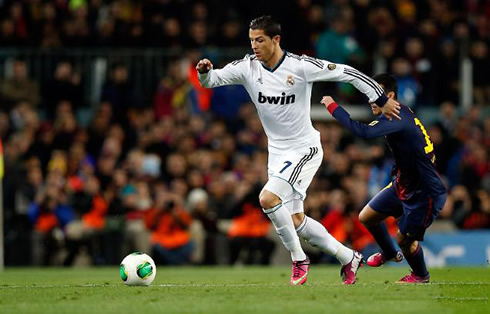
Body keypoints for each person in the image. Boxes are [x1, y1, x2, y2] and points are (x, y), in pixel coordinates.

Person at [196, 15, 401, 285]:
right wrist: (205, 71)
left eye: (260, 40)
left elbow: (347, 73)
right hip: (278, 154)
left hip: (305, 149)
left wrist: (380, 98)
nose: (254, 46)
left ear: (276, 39)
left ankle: (298, 259)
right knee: (295, 220)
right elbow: (210, 82)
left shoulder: (301, 66)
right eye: (251, 40)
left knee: (268, 199)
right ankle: (348, 257)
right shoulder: (248, 68)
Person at [321, 73, 447, 283]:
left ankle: (420, 275)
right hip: (404, 183)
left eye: (375, 94)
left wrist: (333, 106)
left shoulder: (395, 117)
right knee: (367, 217)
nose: (371, 99)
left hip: (424, 191)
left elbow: (362, 132)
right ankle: (389, 253)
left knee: (404, 241)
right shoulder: (399, 112)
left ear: (390, 96)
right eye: (369, 94)